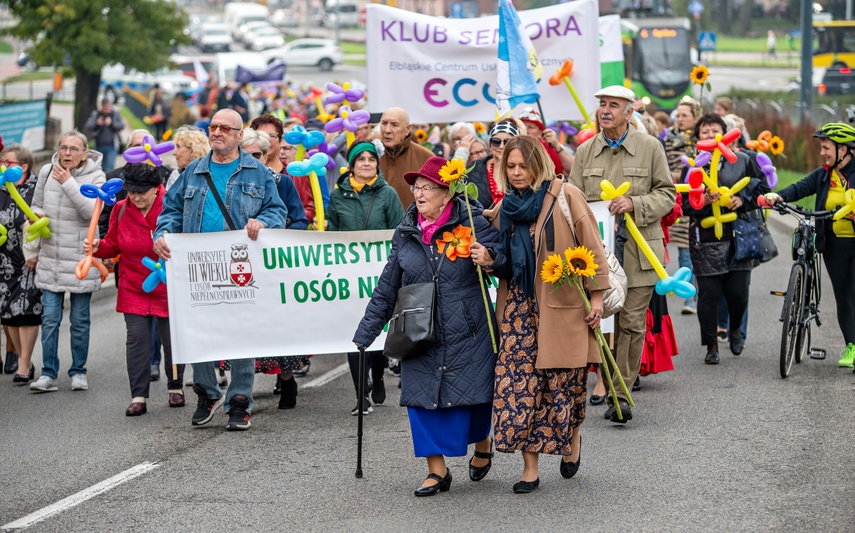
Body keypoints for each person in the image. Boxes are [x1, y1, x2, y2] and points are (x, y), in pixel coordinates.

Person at [354, 156, 499, 497]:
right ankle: (437, 471)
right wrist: (366, 331)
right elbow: (388, 284)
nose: (418, 194)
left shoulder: (475, 224)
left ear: (447, 193)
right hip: (418, 330)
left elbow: (503, 261)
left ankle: (482, 443)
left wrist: (491, 259)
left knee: (474, 398)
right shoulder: (406, 232)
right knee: (420, 400)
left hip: (469, 327)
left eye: (427, 188)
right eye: (416, 187)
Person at [471, 136, 609, 493]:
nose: (517, 173)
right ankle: (529, 468)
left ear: (539, 164)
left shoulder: (566, 196)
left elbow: (591, 247)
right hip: (517, 306)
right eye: (511, 166)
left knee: (564, 384)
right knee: (517, 386)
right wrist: (488, 261)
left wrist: (596, 299)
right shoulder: (506, 208)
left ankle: (572, 437)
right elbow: (502, 261)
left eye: (523, 166)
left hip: (562, 305)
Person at [152, 109, 288, 430]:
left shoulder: (258, 173)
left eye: (225, 128)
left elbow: (277, 212)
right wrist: (162, 234)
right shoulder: (194, 171)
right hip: (198, 266)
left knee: (241, 333)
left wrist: (262, 221)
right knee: (199, 330)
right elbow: (170, 210)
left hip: (240, 265)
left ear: (239, 135)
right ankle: (208, 392)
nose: (217, 132)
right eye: (213, 127)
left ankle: (239, 401)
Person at [568, 85, 675, 423]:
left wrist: (635, 203)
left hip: (639, 251)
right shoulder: (585, 151)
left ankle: (619, 394)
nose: (605, 111)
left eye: (614, 105)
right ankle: (599, 385)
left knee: (630, 323)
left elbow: (667, 194)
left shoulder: (649, 147)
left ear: (630, 112)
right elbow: (571, 199)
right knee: (600, 322)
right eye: (601, 104)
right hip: (596, 253)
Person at [84, 164, 185, 414]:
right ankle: (138, 396)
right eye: (131, 192)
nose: (136, 197)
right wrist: (98, 245)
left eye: (142, 192)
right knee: (136, 341)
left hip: (167, 285)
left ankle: (175, 387)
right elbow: (113, 245)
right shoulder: (120, 209)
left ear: (156, 189)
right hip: (133, 285)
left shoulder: (171, 207)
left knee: (171, 340)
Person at [322, 140, 404, 414]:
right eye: (361, 159)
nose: (367, 163)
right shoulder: (337, 196)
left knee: (378, 330)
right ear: (352, 165)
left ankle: (378, 375)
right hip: (349, 276)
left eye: (371, 159)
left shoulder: (388, 194)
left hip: (381, 274)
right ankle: (361, 395)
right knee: (352, 331)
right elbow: (332, 234)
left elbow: (399, 231)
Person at [764, 122, 855, 368]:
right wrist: (778, 196)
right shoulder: (824, 174)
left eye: (827, 148)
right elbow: (800, 187)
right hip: (834, 245)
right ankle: (851, 347)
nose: (823, 152)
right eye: (822, 147)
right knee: (843, 297)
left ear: (844, 150)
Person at [680, 114, 767, 365]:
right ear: (697, 139)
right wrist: (703, 201)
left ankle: (736, 329)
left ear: (725, 134)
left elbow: (762, 188)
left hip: (738, 235)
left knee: (738, 292)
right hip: (705, 238)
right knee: (708, 294)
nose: (710, 136)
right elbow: (684, 204)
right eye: (704, 132)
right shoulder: (693, 167)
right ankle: (711, 345)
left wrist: (744, 201)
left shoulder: (742, 160)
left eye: (714, 131)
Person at [29, 131, 106, 393]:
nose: (67, 154)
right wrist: (36, 217)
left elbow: (89, 212)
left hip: (80, 260)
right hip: (51, 256)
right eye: (63, 148)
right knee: (50, 319)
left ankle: (78, 371)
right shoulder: (47, 170)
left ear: (86, 153)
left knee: (80, 319)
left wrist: (69, 183)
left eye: (74, 149)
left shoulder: (97, 176)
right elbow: (37, 204)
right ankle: (48, 373)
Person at [0, 144, 42, 385]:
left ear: (23, 166)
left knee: (26, 310)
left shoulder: (36, 189)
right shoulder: (0, 187)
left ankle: (24, 364)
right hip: (3, 260)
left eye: (8, 163)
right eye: (2, 162)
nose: (3, 166)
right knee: (9, 315)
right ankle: (23, 357)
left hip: (28, 258)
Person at [663, 100, 699, 315]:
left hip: (690, 201)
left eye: (686, 115)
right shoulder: (666, 139)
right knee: (673, 248)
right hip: (670, 197)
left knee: (687, 250)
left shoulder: (698, 141)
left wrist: (680, 176)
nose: (681, 119)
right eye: (679, 115)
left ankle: (690, 298)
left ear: (694, 118)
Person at [377, 107, 435, 209]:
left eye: (394, 125)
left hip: (413, 224)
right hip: (376, 225)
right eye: (384, 123)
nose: (387, 130)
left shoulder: (426, 157)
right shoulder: (369, 156)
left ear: (407, 129)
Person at [465, 121, 520, 209]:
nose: (501, 146)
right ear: (490, 143)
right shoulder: (474, 168)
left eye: (507, 142)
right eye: (496, 141)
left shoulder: (524, 169)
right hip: (481, 221)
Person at [517, 106, 573, 174]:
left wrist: (557, 146)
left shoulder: (548, 148)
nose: (526, 130)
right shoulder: (511, 146)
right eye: (522, 126)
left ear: (540, 133)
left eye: (531, 127)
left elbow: (572, 171)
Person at [84, 98, 125, 172]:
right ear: (101, 106)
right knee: (99, 168)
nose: (106, 107)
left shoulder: (114, 114)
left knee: (109, 168)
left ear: (110, 105)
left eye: (107, 105)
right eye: (104, 106)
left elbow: (121, 126)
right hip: (98, 146)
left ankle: (108, 183)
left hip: (111, 146)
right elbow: (88, 125)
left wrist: (111, 123)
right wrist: (97, 123)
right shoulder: (96, 114)